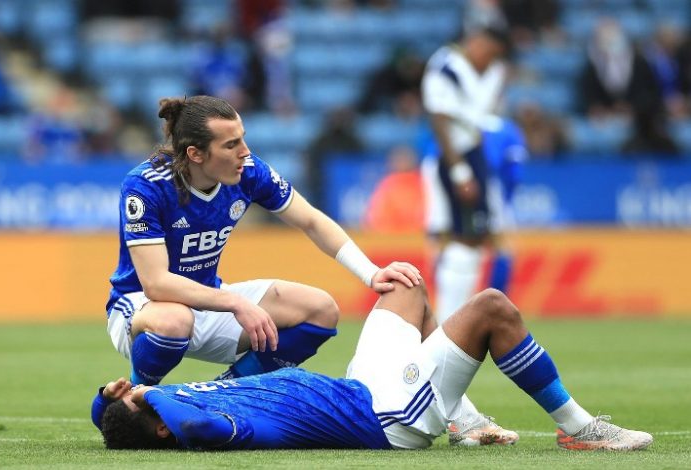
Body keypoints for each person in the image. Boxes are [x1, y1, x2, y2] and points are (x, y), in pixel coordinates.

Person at [91, 279, 653, 452]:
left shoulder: (166, 409)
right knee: (492, 308)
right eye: (139, 403)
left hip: (360, 388)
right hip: (387, 417)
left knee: (405, 284)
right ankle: (579, 428)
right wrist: (150, 394)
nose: (140, 392)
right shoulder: (201, 424)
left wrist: (108, 398)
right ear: (159, 424)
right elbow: (198, 427)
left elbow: (109, 424)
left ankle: (464, 420)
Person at [105, 95, 422, 394]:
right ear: (196, 154)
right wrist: (235, 303)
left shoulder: (248, 171)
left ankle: (222, 395)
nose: (245, 151)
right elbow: (157, 283)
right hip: (142, 307)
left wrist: (371, 273)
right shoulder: (146, 185)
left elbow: (311, 221)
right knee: (175, 320)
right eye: (231, 144)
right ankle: (133, 395)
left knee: (320, 309)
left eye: (242, 138)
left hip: (209, 299)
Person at [420, 21, 513, 435]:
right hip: (456, 157)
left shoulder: (483, 71)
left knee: (476, 238)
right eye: (488, 51)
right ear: (476, 41)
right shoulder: (447, 66)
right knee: (464, 236)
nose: (488, 60)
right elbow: (439, 118)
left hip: (473, 151)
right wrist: (459, 169)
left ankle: (450, 323)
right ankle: (445, 326)